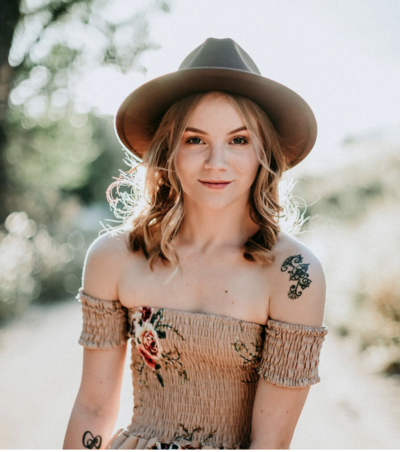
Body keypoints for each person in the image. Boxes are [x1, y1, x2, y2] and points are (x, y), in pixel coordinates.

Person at [63, 37, 329, 450]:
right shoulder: (114, 257)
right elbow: (95, 409)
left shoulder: (294, 274)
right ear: (168, 150)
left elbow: (271, 444)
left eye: (238, 140)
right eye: (195, 139)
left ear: (264, 152)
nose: (216, 162)